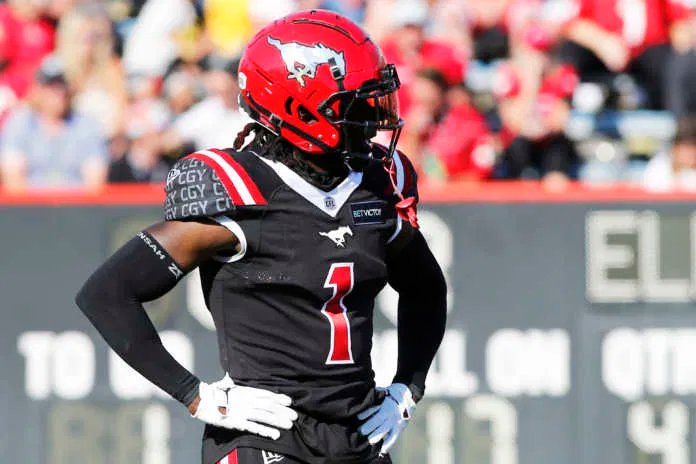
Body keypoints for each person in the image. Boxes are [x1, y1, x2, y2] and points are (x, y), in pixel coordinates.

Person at [76, 10, 447, 464]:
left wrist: (408, 385)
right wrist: (194, 394)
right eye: (354, 106)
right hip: (265, 434)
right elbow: (107, 293)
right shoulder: (238, 191)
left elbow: (426, 287)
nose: (372, 120)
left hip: (356, 434)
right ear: (301, 108)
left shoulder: (376, 183)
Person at [0, 55, 108, 190]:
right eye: (50, 85)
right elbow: (13, 180)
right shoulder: (20, 124)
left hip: (76, 202)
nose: (58, 92)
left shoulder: (87, 126)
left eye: (62, 85)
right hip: (31, 202)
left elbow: (95, 183)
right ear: (38, 89)